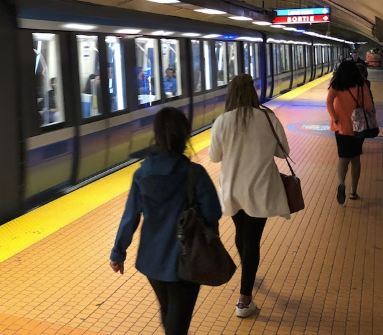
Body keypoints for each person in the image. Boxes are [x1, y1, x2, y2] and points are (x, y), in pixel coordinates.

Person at [110, 107, 221, 335]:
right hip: (187, 259)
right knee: (178, 321)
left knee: (168, 310)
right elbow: (213, 213)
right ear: (185, 135)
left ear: (157, 135)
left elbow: (130, 217)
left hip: (152, 260)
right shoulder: (194, 173)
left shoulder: (141, 174)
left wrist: (118, 253)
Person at [209, 74, 291, 318]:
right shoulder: (268, 118)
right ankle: (244, 300)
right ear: (253, 92)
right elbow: (284, 152)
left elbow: (214, 157)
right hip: (260, 190)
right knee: (252, 239)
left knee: (242, 234)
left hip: (233, 189)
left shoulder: (222, 121)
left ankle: (248, 273)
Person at [326, 61, 374, 203]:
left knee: (343, 159)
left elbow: (329, 102)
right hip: (358, 128)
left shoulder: (337, 84)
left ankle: (341, 183)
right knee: (356, 158)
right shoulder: (362, 85)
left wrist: (335, 118)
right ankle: (353, 192)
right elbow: (369, 106)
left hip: (341, 127)